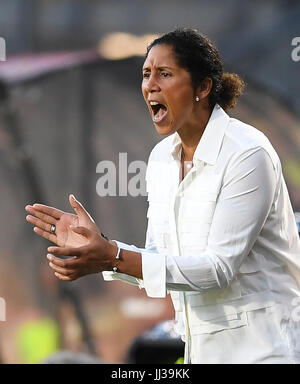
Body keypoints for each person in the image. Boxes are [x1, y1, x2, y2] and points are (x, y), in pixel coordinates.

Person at [25, 28, 300, 364]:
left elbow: (217, 270)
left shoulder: (247, 154)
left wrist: (111, 256)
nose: (149, 85)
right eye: (145, 74)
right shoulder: (160, 159)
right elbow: (160, 258)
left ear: (203, 86)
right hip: (202, 354)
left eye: (164, 74)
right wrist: (100, 248)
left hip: (266, 354)